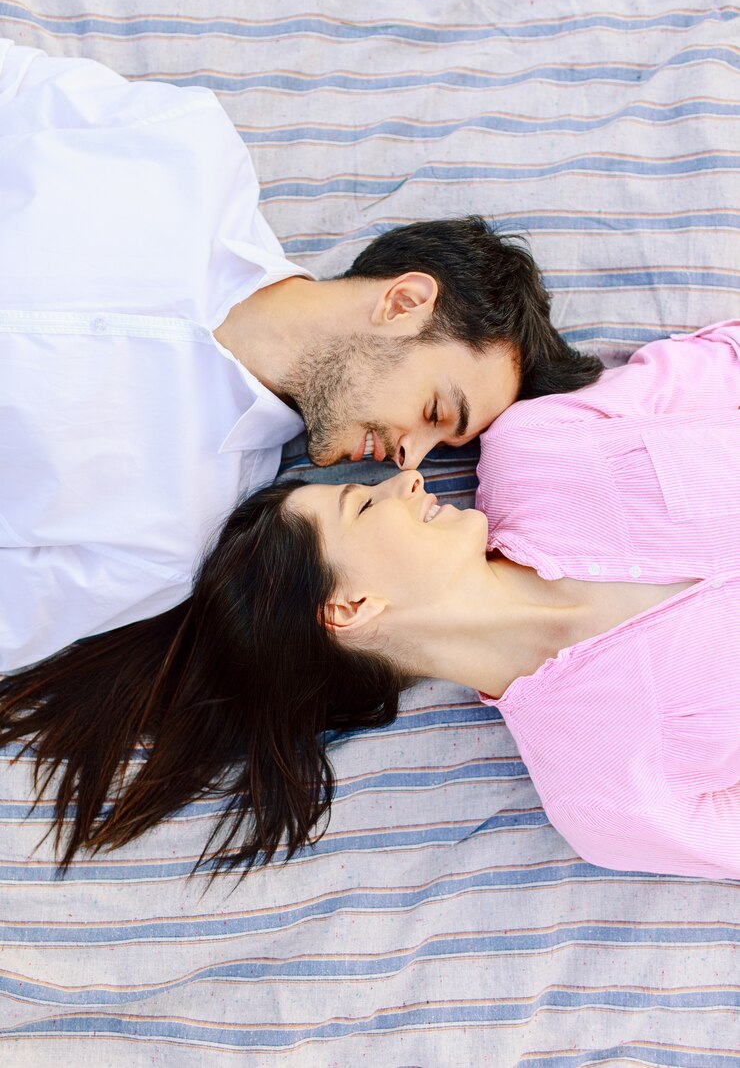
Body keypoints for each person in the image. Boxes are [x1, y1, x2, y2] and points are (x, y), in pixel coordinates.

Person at [2, 321, 738, 879]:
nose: (410, 479)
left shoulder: (541, 446)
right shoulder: (604, 794)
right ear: (350, 608)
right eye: (362, 504)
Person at [0, 38, 602, 672]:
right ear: (404, 302)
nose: (408, 459)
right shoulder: (185, 149)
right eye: (434, 411)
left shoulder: (177, 537)